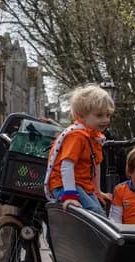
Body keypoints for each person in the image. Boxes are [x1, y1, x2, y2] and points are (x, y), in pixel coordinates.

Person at [44, 84, 113, 215]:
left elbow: (95, 165)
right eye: (99, 115)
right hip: (64, 185)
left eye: (108, 115)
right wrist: (70, 195)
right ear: (81, 116)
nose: (106, 120)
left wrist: (97, 191)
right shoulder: (76, 136)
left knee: (101, 214)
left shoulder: (95, 137)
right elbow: (67, 166)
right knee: (95, 212)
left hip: (82, 185)